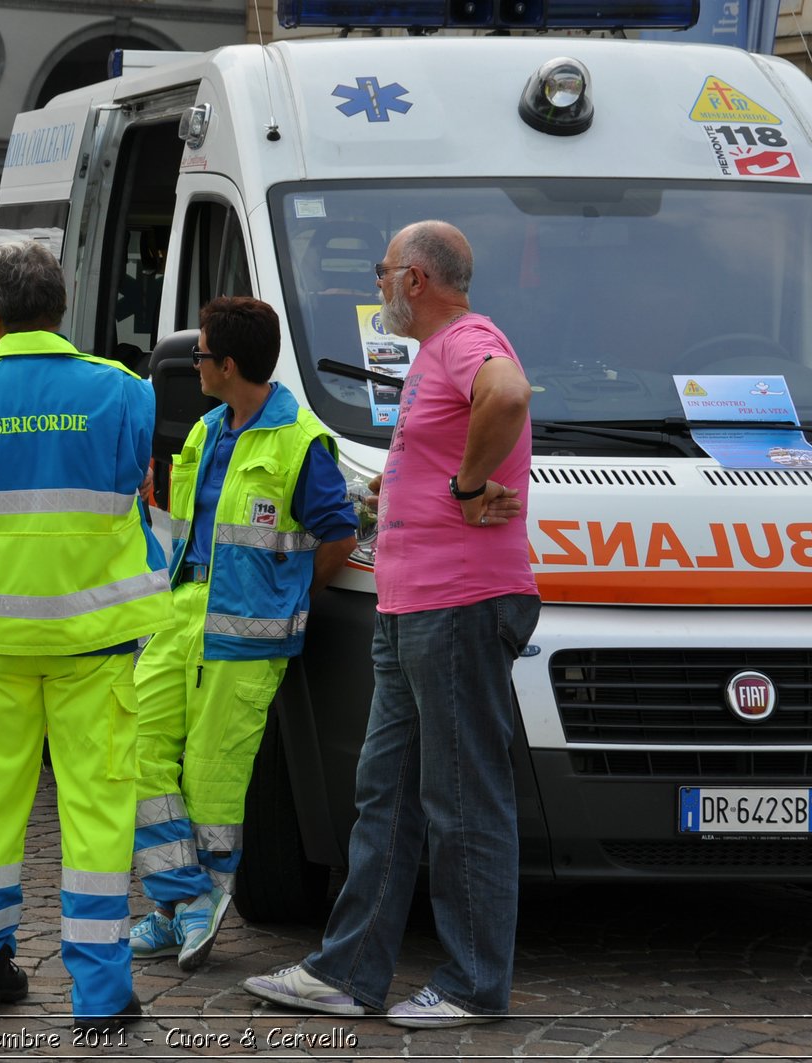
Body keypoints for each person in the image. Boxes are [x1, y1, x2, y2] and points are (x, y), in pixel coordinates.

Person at [242, 220, 539, 1028]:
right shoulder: (442, 352)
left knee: (461, 800)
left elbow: (507, 396)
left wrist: (469, 484)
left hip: (455, 606)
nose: (376, 288)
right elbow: (453, 450)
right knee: (389, 796)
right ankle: (349, 971)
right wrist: (400, 496)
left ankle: (476, 983)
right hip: (418, 606)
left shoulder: (467, 339)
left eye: (381, 274)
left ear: (415, 279)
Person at [0, 241, 173, 1031]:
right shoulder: (123, 392)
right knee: (97, 808)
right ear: (62, 309)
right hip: (94, 640)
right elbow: (136, 475)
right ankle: (101, 994)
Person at [127, 297, 357, 971]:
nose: (194, 363)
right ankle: (183, 896)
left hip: (248, 635)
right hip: (183, 615)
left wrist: (289, 595)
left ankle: (188, 908)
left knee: (211, 777)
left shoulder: (300, 441)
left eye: (200, 354)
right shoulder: (205, 430)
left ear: (227, 364)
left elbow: (339, 534)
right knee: (133, 744)